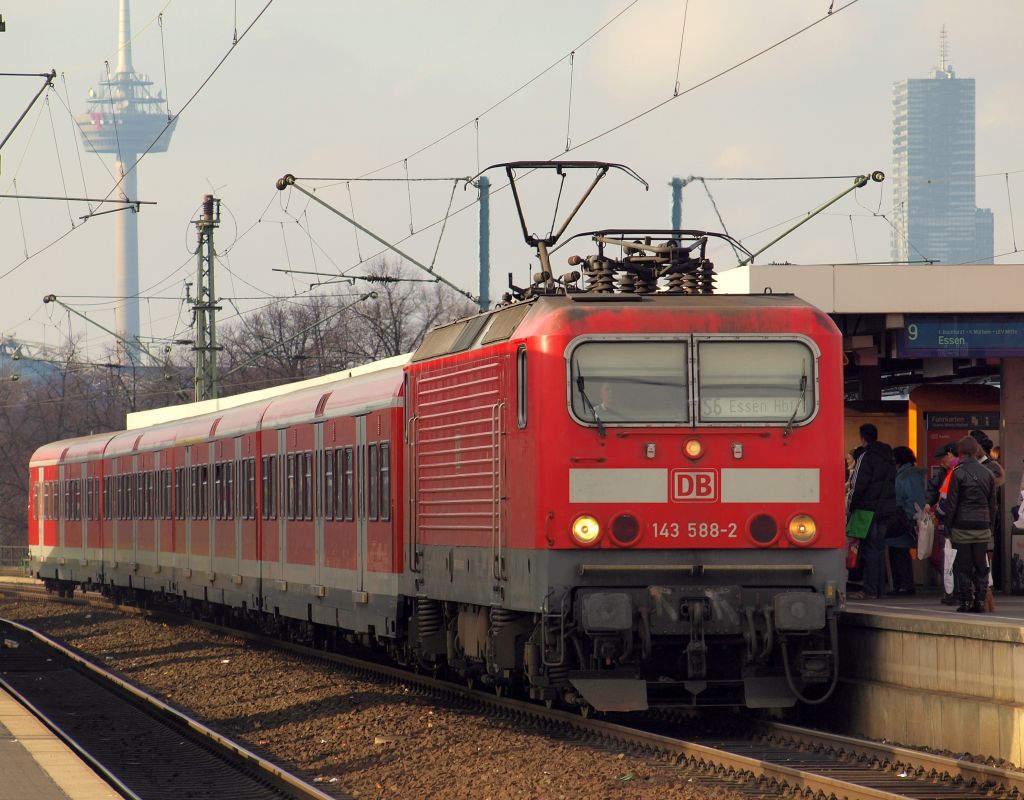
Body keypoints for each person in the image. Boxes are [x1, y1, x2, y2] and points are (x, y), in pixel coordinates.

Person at [944, 436, 997, 613]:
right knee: (981, 565)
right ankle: (980, 601)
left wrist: (947, 527)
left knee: (963, 565)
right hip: (982, 524)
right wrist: (990, 526)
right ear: (975, 451)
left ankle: (966, 601)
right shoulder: (987, 473)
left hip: (962, 525)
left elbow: (952, 504)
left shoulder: (957, 473)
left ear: (960, 453)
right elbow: (992, 504)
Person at [847, 424, 899, 599]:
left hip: (866, 510)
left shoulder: (865, 456)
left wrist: (850, 505)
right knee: (878, 549)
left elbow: (857, 485)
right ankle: (879, 590)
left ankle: (869, 590)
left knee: (869, 550)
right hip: (886, 510)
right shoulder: (889, 458)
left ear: (863, 438)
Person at [889, 446, 925, 595]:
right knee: (898, 550)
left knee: (900, 551)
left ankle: (905, 585)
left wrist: (909, 517)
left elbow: (913, 498)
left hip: (903, 516)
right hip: (902, 515)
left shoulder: (907, 475)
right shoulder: (908, 473)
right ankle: (902, 585)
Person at [926, 442, 958, 605]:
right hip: (971, 522)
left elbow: (945, 499)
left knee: (950, 558)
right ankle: (967, 595)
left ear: (951, 454)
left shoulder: (954, 472)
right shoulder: (978, 471)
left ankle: (953, 593)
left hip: (953, 522)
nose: (941, 463)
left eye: (943, 458)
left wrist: (937, 513)